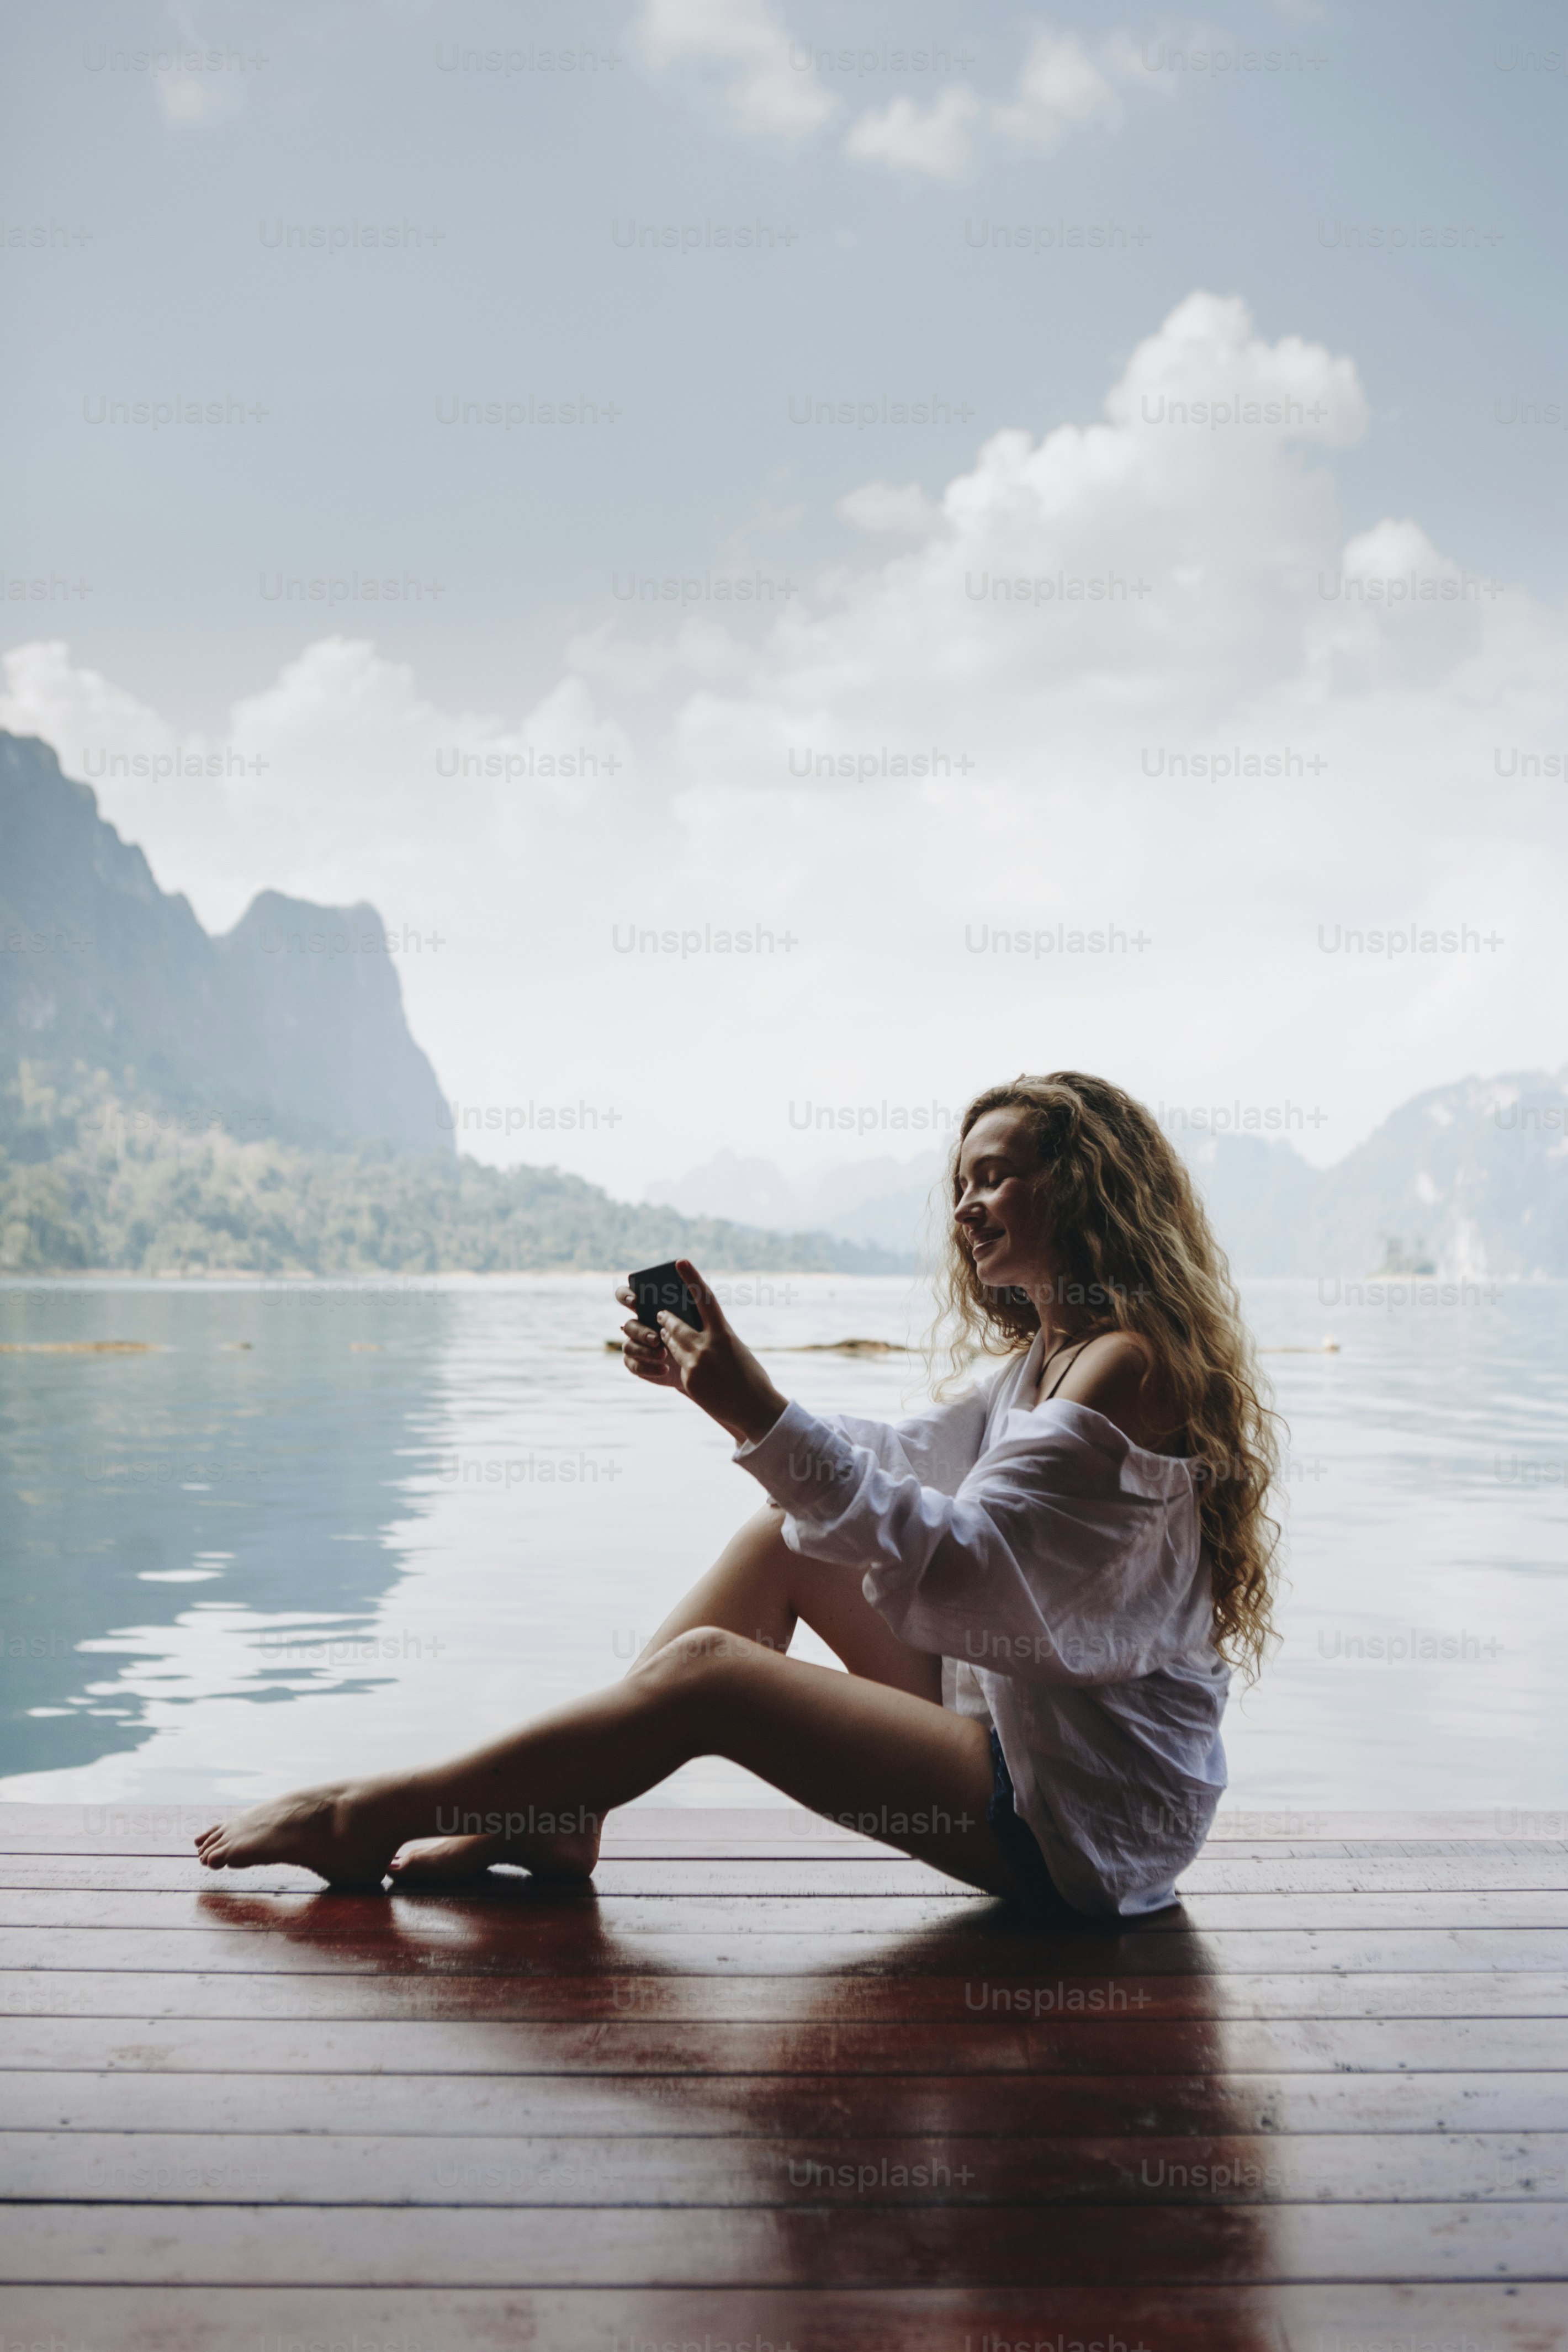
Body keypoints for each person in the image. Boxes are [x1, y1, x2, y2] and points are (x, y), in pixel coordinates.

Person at [195, 1071, 1281, 1918]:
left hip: (1078, 1828)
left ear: (1085, 1187)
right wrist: (727, 1388)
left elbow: (963, 1564)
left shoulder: (1124, 1362)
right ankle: (560, 1816)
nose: (967, 1205)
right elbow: (896, 1461)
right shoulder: (1048, 1358)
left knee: (712, 1678)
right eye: (960, 1183)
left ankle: (360, 1815)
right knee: (786, 1537)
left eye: (995, 1176)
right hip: (1031, 1754)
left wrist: (748, 1406)